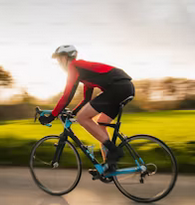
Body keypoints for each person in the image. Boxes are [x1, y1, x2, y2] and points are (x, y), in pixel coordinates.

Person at [39, 45, 135, 173]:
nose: (58, 62)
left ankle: (114, 151)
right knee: (101, 124)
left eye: (59, 59)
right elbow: (86, 100)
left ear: (67, 57)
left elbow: (67, 95)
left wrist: (52, 116)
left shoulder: (74, 66)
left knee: (82, 118)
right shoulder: (85, 73)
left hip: (117, 88)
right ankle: (109, 166)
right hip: (125, 88)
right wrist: (72, 113)